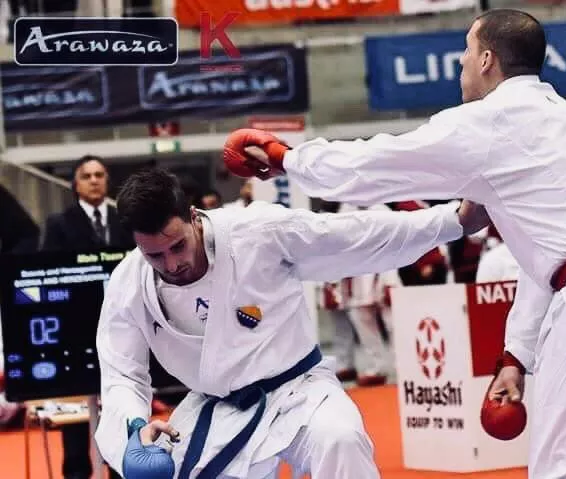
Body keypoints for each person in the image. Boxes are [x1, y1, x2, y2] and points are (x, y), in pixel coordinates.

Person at [225, 9, 566, 477]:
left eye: (466, 49)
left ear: (487, 59)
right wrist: (515, 357)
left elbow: (377, 164)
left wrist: (287, 159)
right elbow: (555, 259)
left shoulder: (488, 121)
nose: (460, 62)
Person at [94, 168, 485, 478]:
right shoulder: (130, 283)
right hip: (217, 408)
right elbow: (122, 373)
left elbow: (353, 236)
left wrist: (452, 220)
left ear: (193, 217)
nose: (172, 263)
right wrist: (134, 428)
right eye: (155, 255)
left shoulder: (256, 232)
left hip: (299, 391)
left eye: (178, 245)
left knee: (340, 438)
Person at [42, 155, 134, 479]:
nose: (94, 180)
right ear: (76, 184)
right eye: (87, 175)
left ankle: (120, 468)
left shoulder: (125, 219)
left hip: (122, 329)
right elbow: (50, 271)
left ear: (107, 180)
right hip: (76, 331)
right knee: (76, 426)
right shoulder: (59, 223)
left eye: (99, 174)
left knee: (122, 411)